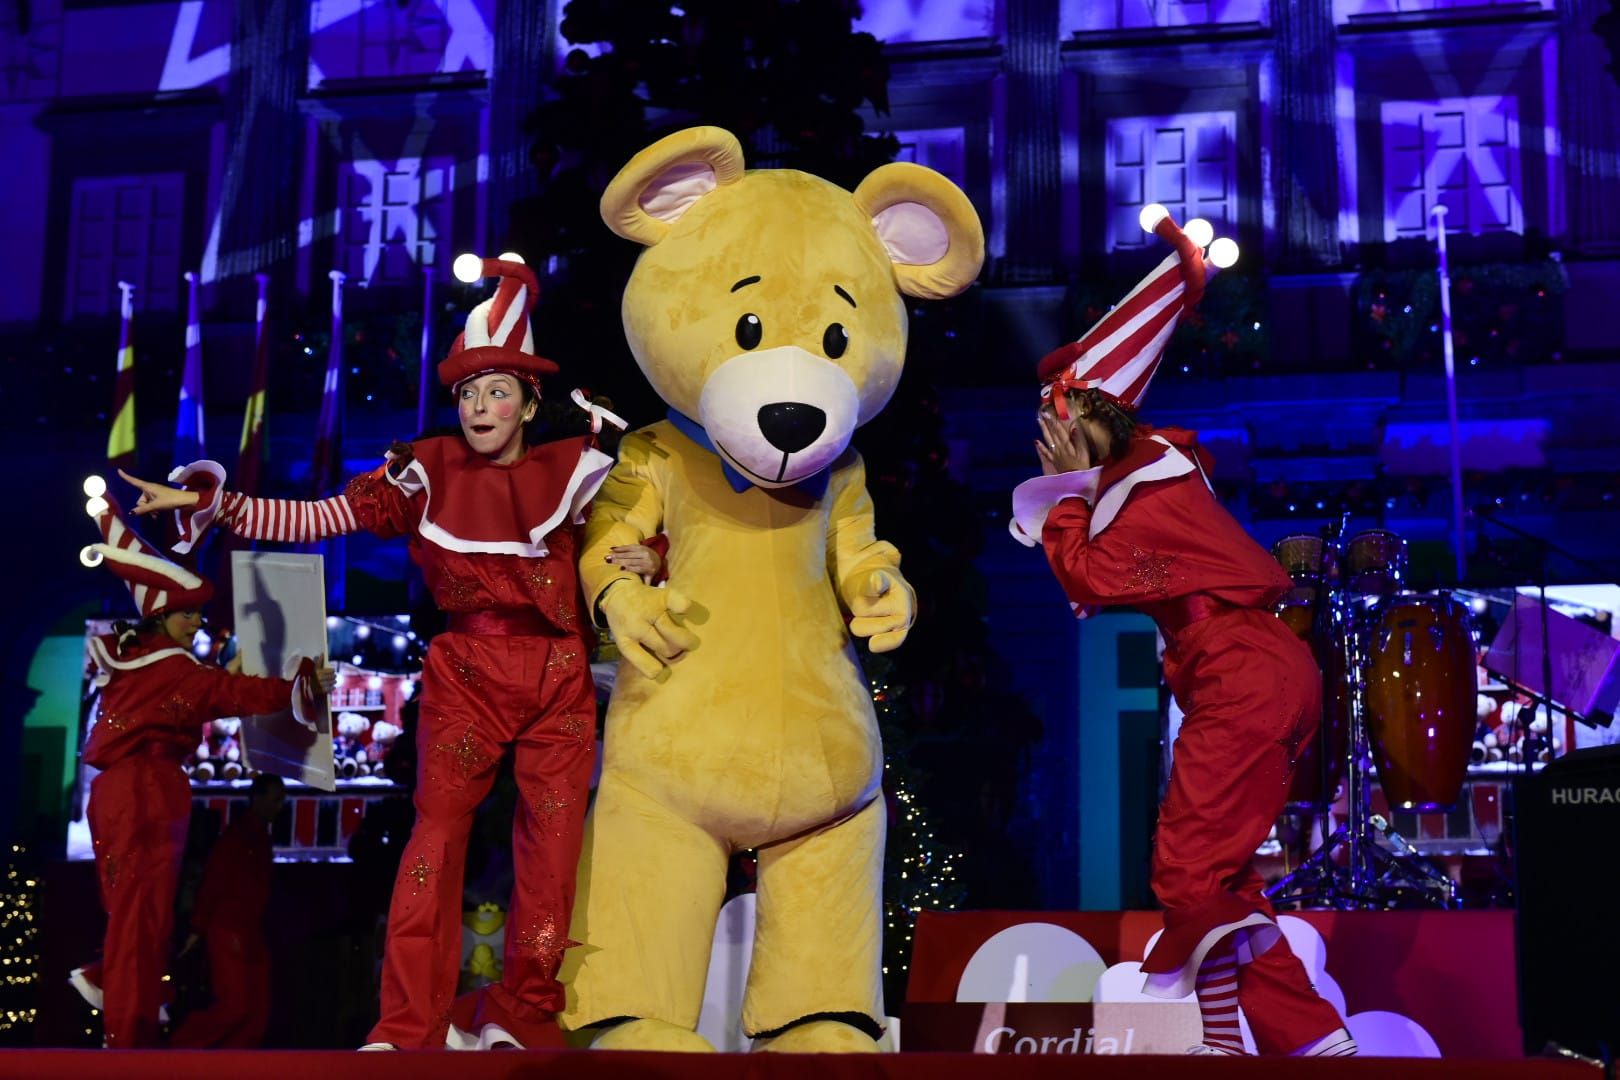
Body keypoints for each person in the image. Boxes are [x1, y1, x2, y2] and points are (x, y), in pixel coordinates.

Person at [121, 254, 622, 1051]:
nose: (479, 404)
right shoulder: (426, 474)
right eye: (466, 391)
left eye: (497, 390)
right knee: (434, 840)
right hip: (466, 673)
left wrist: (640, 559)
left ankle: (524, 1012)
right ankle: (406, 1026)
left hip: (560, 678)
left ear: (529, 403)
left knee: (553, 848)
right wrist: (220, 506)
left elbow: (620, 543)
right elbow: (320, 519)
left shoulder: (576, 473)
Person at [1010, 208, 1356, 1059]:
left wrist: (1062, 488)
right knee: (1221, 874)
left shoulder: (1144, 485)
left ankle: (1285, 1037)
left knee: (1184, 870)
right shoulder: (1149, 477)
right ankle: (1260, 1040)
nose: (1046, 439)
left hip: (1242, 670)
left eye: (1057, 421)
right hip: (1250, 671)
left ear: (1089, 415)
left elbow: (1085, 574)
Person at [70, 480, 332, 1049]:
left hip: (121, 793)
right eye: (188, 616)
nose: (197, 625)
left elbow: (220, 689)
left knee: (135, 914)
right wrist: (301, 683)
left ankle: (116, 999)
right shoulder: (173, 672)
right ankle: (130, 1033)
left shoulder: (138, 666)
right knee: (143, 917)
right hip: (146, 791)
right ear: (162, 618)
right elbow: (232, 696)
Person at [170, 773, 287, 1048]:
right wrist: (199, 927)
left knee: (257, 1011)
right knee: (235, 1007)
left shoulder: (258, 837)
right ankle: (176, 1050)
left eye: (282, 800)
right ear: (257, 798)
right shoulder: (238, 836)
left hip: (251, 931)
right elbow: (214, 881)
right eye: (275, 799)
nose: (280, 806)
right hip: (229, 929)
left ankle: (236, 1064)